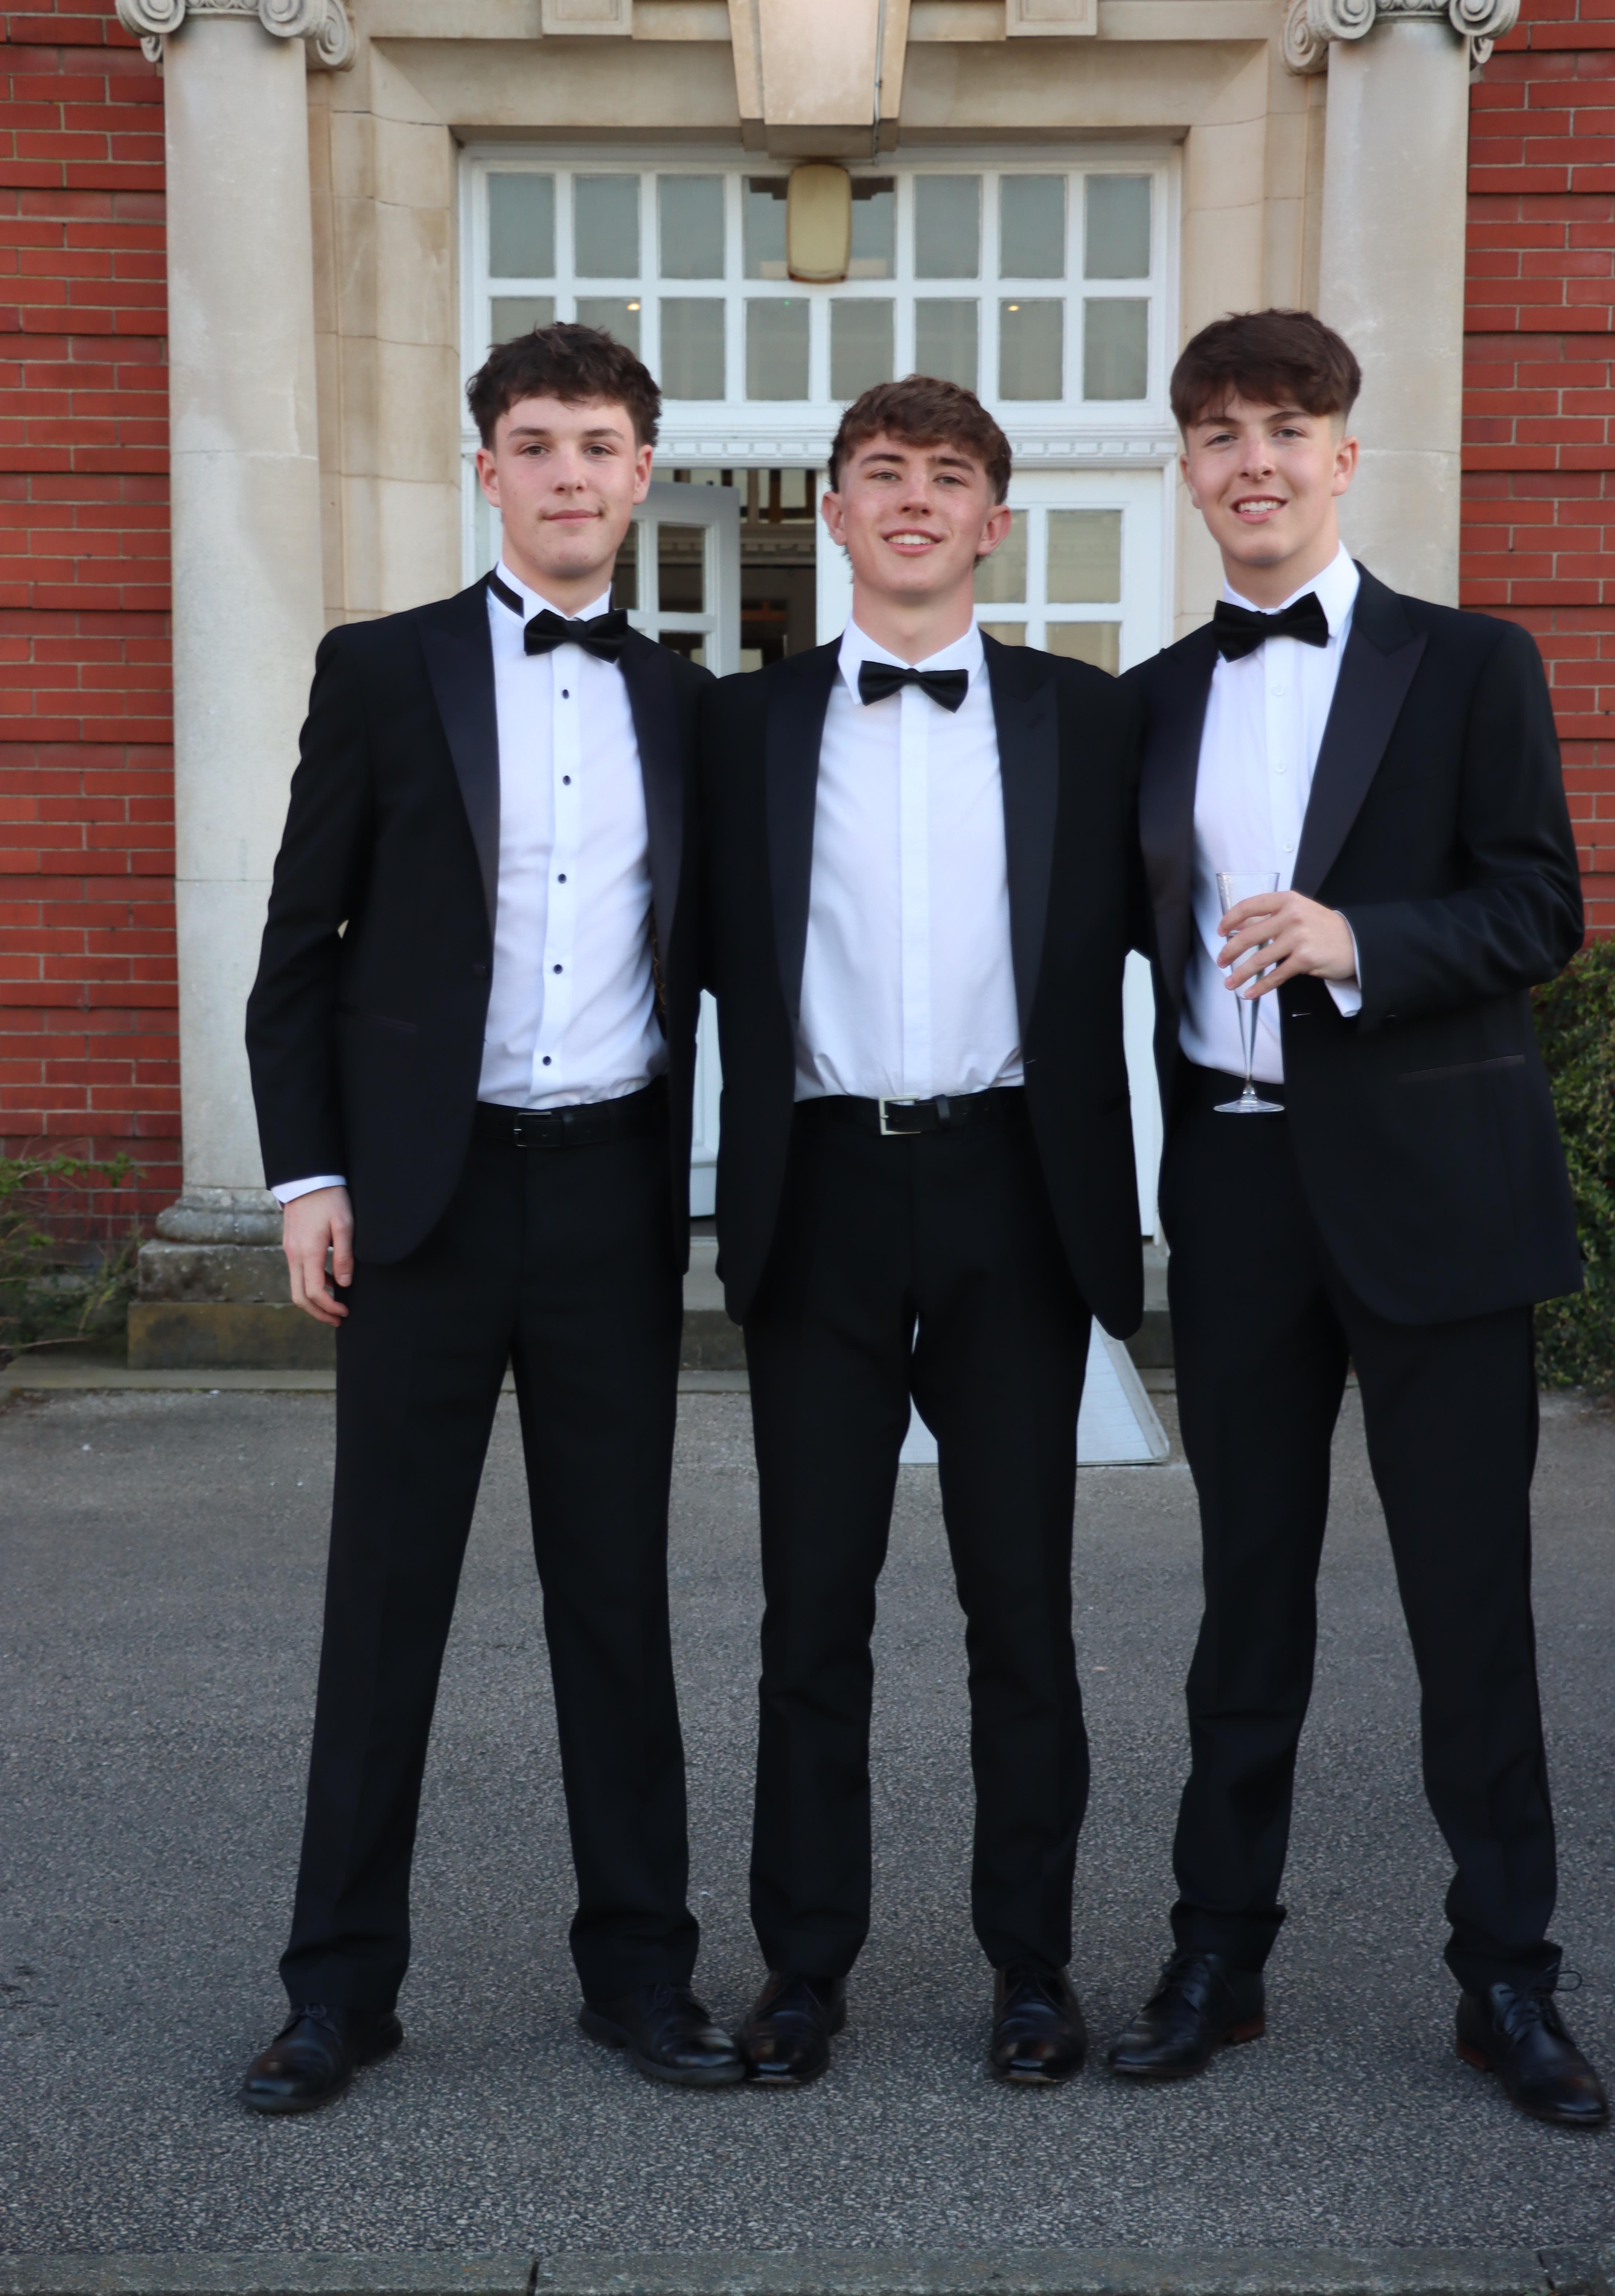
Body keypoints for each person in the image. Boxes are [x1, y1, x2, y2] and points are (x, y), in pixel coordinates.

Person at [1110, 307, 1608, 2129]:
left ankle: (1506, 1979)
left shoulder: (1468, 663)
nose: (1251, 460)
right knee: (1245, 1599)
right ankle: (1216, 1956)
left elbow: (1537, 907)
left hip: (1436, 1198)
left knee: (1466, 1607)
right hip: (1235, 1191)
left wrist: (1355, 942)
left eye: (1283, 427)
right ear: (1186, 468)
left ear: (1340, 453)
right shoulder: (1148, 697)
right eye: (1218, 432)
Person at [239, 324, 741, 2110]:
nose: (567, 475)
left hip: (608, 1197)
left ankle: (643, 1977)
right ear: (489, 471)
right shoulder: (382, 671)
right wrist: (308, 1176)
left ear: (640, 473)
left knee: (616, 1603)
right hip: (422, 1207)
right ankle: (337, 1993)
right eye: (535, 444)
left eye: (598, 446)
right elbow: (301, 948)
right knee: (385, 1604)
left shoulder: (689, 705)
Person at [701, 378, 1144, 2088]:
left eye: (946, 477)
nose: (910, 499)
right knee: (811, 1609)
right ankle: (801, 1966)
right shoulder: (734, 727)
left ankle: (1031, 1966)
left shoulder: (1086, 720)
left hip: (1010, 1189)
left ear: (991, 524)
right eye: (879, 473)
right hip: (816, 1187)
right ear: (830, 512)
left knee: (1018, 1608)